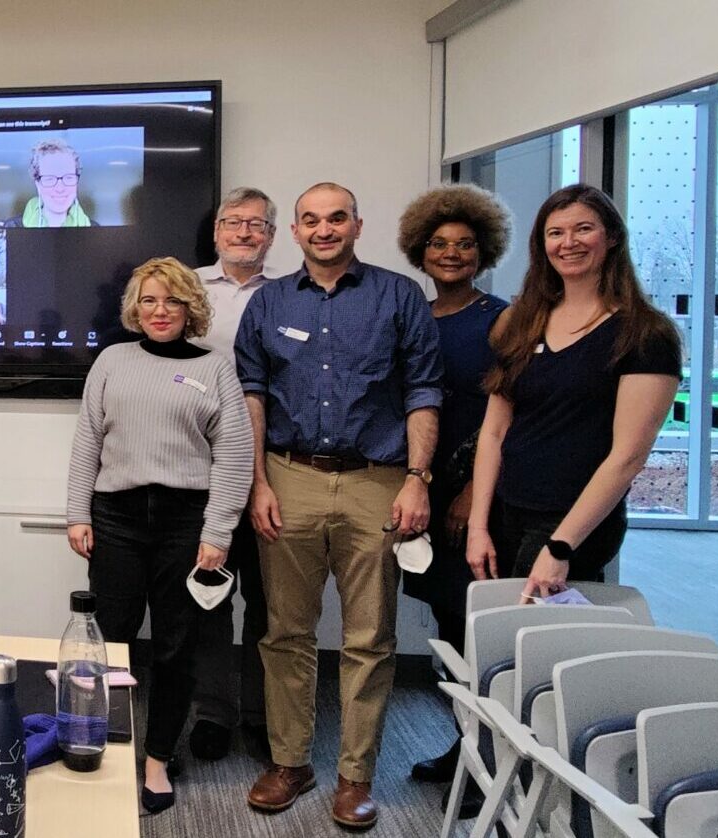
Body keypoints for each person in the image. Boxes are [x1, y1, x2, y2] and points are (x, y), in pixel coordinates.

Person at [234, 183, 442, 830]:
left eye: (337, 218)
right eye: (311, 220)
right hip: (287, 477)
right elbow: (252, 393)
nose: (324, 230)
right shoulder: (269, 302)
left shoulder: (399, 296)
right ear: (293, 231)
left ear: (356, 224)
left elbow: (423, 390)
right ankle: (290, 763)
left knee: (369, 638)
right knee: (285, 633)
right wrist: (256, 484)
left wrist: (418, 479)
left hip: (374, 481)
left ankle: (356, 777)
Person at [64, 257, 253, 815]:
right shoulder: (112, 360)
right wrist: (78, 512)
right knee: (110, 641)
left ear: (190, 306)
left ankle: (158, 759)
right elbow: (87, 442)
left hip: (186, 524)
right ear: (135, 308)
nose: (160, 310)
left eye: (171, 300)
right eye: (149, 300)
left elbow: (235, 457)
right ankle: (107, 745)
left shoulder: (215, 368)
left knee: (176, 646)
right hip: (117, 516)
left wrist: (217, 532)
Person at [465, 185, 680, 600]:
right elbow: (493, 433)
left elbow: (628, 457)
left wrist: (561, 546)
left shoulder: (644, 334)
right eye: (555, 233)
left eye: (583, 229)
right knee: (498, 638)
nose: (569, 243)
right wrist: (478, 526)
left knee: (531, 645)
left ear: (612, 237)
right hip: (506, 513)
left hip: (570, 523)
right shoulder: (524, 322)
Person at [390, 184, 515, 796]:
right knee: (447, 624)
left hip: (473, 495)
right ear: (420, 249)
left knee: (478, 629)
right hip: (421, 490)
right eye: (439, 243)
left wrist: (470, 493)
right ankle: (467, 745)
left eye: (465, 244)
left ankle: (492, 762)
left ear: (485, 251)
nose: (452, 253)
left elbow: (508, 414)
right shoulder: (411, 313)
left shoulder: (502, 320)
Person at [185, 186, 287, 760]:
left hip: (275, 466)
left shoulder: (293, 293)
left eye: (257, 224)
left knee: (271, 604)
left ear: (272, 235)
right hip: (199, 466)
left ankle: (263, 714)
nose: (245, 232)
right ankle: (213, 714)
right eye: (234, 222)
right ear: (217, 230)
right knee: (210, 597)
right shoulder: (186, 288)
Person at [16, 139, 92, 227]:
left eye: (68, 177)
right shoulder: (12, 227)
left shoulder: (94, 229)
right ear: (37, 184)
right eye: (50, 179)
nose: (60, 189)